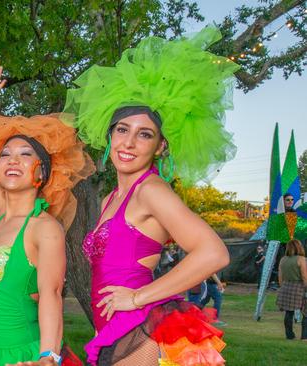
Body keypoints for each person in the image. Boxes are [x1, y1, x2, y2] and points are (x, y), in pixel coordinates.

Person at [64, 26, 235, 365]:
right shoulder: (109, 198)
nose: (128, 143)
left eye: (144, 134)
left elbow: (214, 253)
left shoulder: (151, 190)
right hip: (114, 329)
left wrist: (138, 298)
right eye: (122, 130)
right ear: (110, 135)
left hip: (141, 330)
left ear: (160, 147)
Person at [0, 63, 94, 365]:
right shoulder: (0, 218)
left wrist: (47, 356)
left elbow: (52, 293)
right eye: (6, 155)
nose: (13, 160)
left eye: (25, 155)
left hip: (20, 356)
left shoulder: (44, 228)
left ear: (42, 171)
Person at [276, 239, 307, 340]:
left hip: (286, 287)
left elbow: (280, 277)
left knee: (289, 313)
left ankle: (289, 336)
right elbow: (304, 276)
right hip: (299, 288)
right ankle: (304, 337)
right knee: (306, 313)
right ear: (299, 247)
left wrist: (282, 287)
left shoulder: (283, 259)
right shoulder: (301, 259)